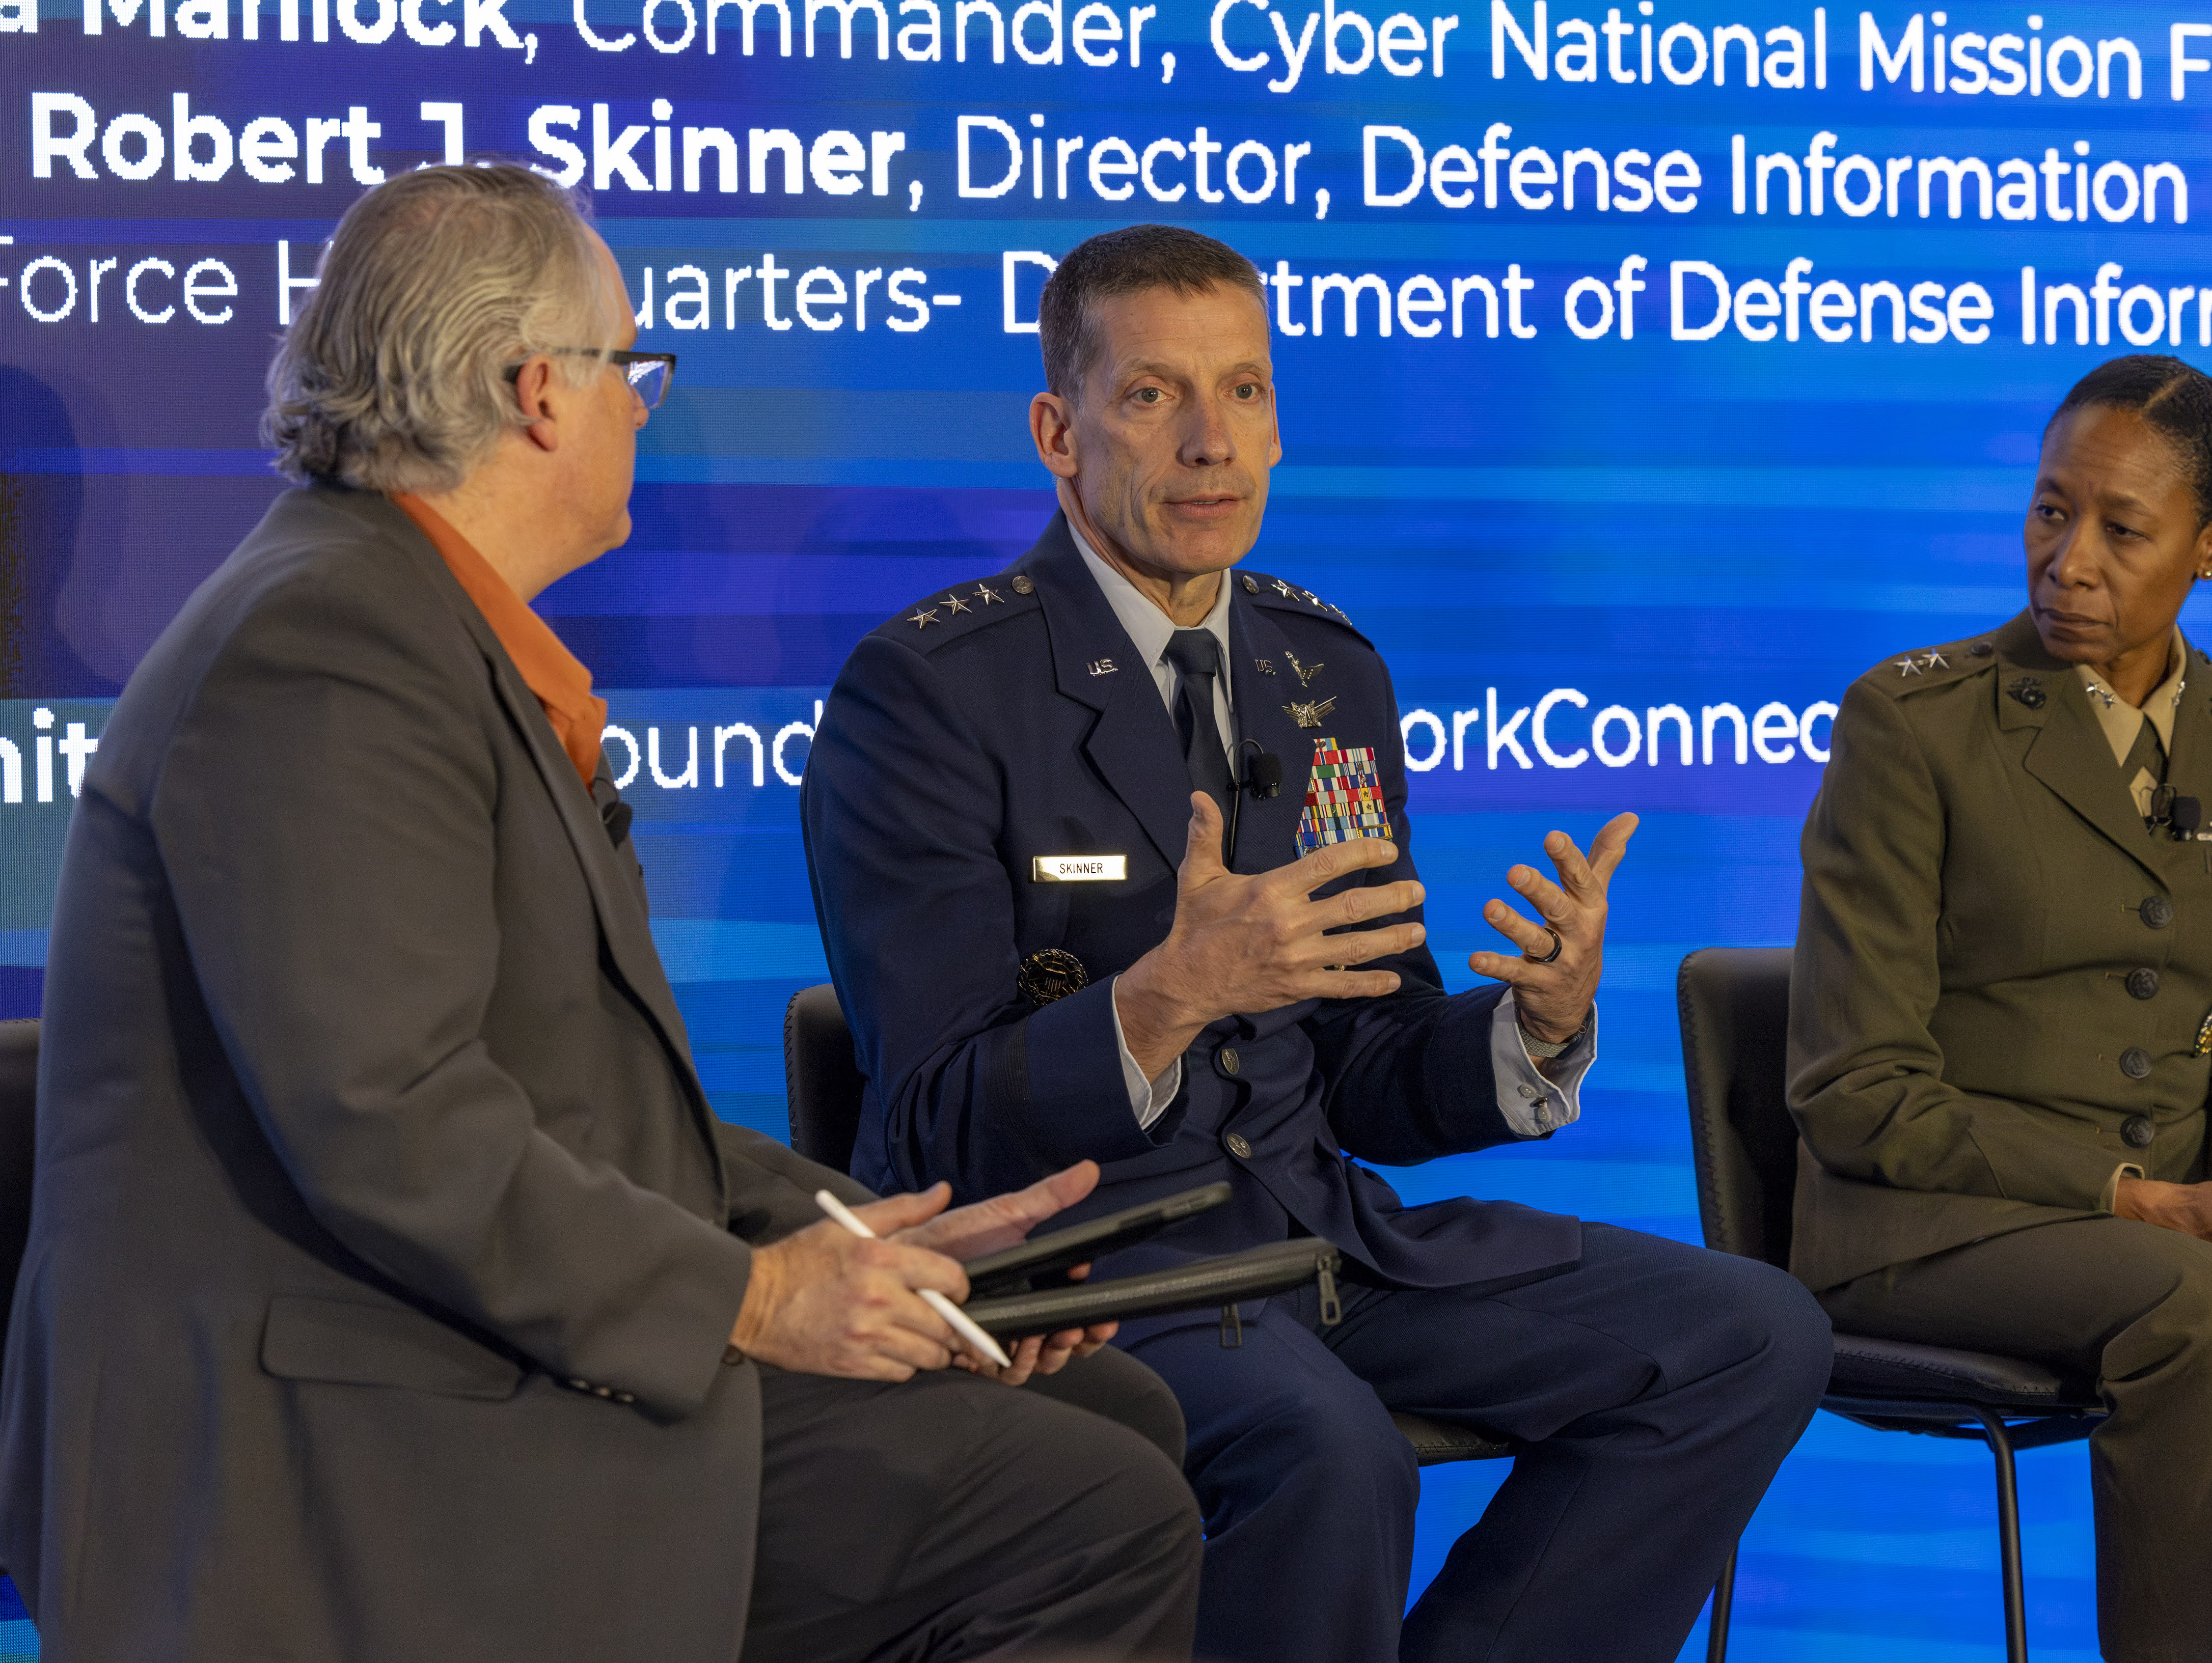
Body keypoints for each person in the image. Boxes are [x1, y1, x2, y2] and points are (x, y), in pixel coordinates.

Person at [0, 165, 1201, 1663]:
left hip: (457, 1347)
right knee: (1092, 1511)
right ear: (536, 394)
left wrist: (886, 1244)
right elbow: (390, 1126)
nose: (644, 406)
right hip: (345, 1428)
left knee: (1110, 1407)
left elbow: (584, 1106)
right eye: (632, 368)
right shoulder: (326, 649)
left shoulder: (423, 627)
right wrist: (755, 1299)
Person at [801, 223, 1832, 1663]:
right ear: (1058, 431)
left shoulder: (1325, 671)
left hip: (1323, 1240)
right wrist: (1162, 1002)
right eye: (1152, 394)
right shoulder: (929, 693)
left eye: (1245, 391)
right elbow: (925, 1124)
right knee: (1330, 1449)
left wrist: (1529, 1028)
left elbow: (1361, 1060)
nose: (1210, 441)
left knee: (1751, 1332)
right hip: (1086, 1279)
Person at [1788, 354, 2212, 1663]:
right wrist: (2146, 1201)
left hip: (2185, 1221)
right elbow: (1856, 1089)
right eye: (2050, 511)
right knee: (2209, 1306)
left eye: (2122, 530)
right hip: (1925, 1228)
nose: (2067, 562)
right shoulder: (1914, 725)